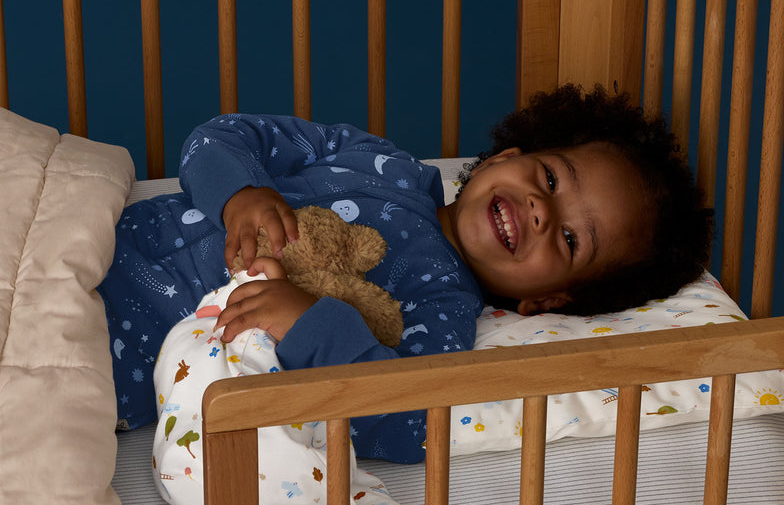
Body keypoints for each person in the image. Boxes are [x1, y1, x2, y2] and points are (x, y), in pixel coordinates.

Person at [98, 83, 712, 463]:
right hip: (93, 247)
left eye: (573, 239)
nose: (541, 211)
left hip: (109, 358)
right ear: (505, 157)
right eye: (550, 180)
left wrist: (313, 324)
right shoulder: (377, 158)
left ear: (549, 300)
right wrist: (241, 193)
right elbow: (222, 137)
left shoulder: (443, 305)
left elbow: (409, 423)